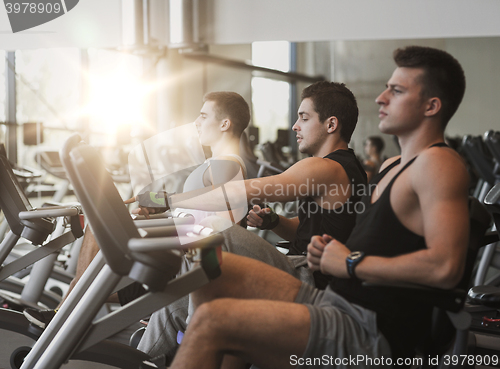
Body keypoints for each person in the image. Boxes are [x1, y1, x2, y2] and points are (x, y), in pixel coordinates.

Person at [168, 45, 470, 368]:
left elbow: (445, 267)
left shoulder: (439, 163)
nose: (381, 98)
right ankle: (186, 336)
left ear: (431, 106)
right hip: (337, 297)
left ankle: (183, 336)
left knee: (213, 300)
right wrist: (324, 247)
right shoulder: (393, 165)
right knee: (212, 273)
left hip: (364, 325)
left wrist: (351, 262)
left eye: (395, 91)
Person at [137, 81, 367, 360]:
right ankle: (140, 359)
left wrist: (166, 200)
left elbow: (239, 191)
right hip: (302, 264)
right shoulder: (346, 168)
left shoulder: (326, 167)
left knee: (212, 230)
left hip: (308, 275)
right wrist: (275, 222)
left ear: (331, 125)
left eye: (304, 118)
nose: (295, 126)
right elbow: (309, 229)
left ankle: (199, 322)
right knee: (170, 306)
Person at [22, 91, 251, 327]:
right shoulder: (215, 162)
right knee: (98, 225)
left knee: (99, 233)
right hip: (184, 247)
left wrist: (165, 205)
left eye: (204, 116)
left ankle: (64, 311)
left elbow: (225, 213)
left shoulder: (227, 163)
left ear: (224, 123)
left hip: (190, 260)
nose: (196, 122)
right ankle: (68, 305)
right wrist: (157, 208)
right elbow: (201, 207)